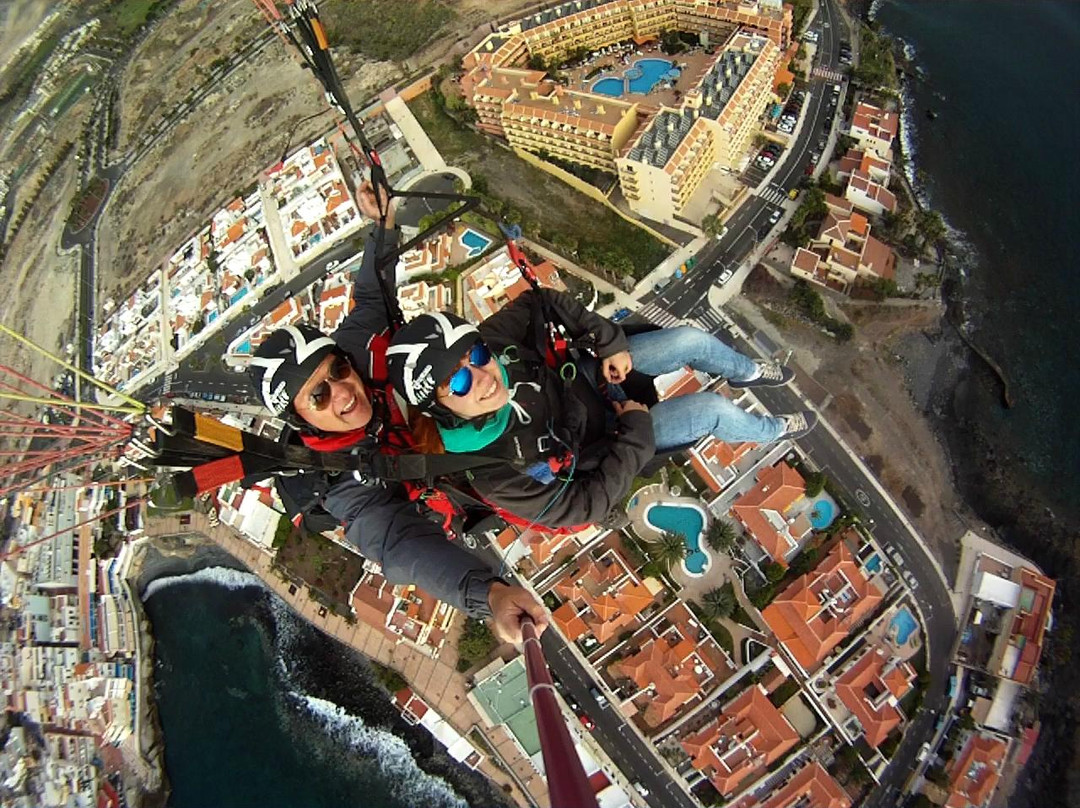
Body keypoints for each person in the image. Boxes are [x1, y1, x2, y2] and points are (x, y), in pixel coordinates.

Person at [247, 182, 546, 644]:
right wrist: (488, 595)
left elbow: (373, 296)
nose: (343, 391)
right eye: (319, 396)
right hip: (459, 465)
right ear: (301, 419)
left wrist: (382, 225)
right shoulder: (344, 484)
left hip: (468, 409)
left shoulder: (361, 350)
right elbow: (400, 546)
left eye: (337, 370)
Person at [386, 289, 817, 530]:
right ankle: (772, 429)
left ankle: (746, 371)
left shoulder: (495, 340)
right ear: (440, 408)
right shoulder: (492, 471)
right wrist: (634, 431)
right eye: (458, 382)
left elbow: (539, 301)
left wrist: (607, 340)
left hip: (592, 377)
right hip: (609, 442)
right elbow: (582, 507)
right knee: (711, 410)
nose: (483, 377)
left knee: (690, 340)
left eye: (477, 356)